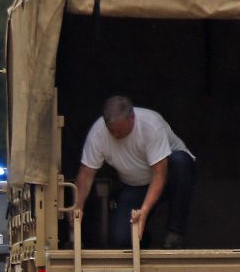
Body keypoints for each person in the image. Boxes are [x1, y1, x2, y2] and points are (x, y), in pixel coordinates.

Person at [74, 95, 197, 249]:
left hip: (167, 178)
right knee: (119, 239)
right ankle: (143, 241)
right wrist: (77, 207)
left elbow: (160, 175)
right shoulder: (98, 132)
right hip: (134, 186)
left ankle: (174, 233)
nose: (116, 135)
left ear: (132, 118)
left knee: (181, 161)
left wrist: (143, 212)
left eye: (120, 130)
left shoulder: (151, 125)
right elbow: (86, 174)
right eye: (112, 131)